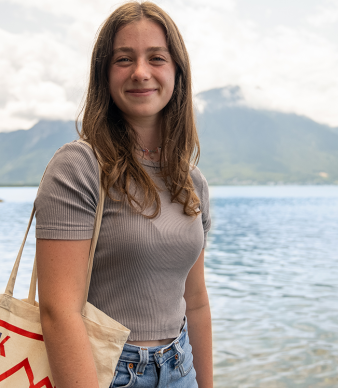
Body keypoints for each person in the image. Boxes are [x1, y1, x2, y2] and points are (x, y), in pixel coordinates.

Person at [34, 2, 212, 387]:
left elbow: (195, 302)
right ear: (104, 74)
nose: (141, 72)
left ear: (177, 72)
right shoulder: (79, 166)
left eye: (157, 58)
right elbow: (58, 311)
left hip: (181, 368)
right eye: (124, 59)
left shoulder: (191, 182)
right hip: (105, 371)